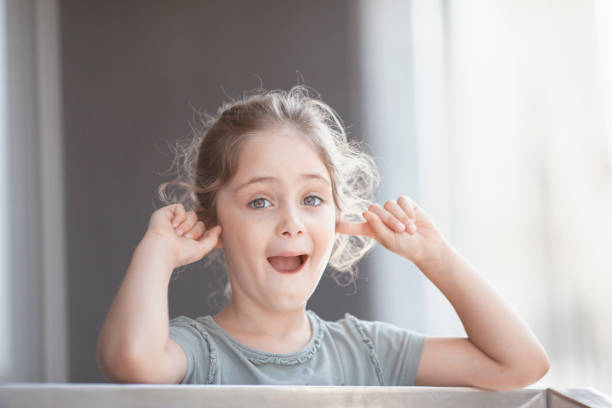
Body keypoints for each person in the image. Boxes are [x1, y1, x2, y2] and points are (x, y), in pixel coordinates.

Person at [96, 85, 550, 389]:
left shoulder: (368, 353)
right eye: (260, 202)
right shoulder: (197, 353)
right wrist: (157, 253)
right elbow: (132, 362)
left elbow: (521, 364)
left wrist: (436, 257)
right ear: (215, 222)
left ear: (337, 217)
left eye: (312, 199)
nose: (291, 222)